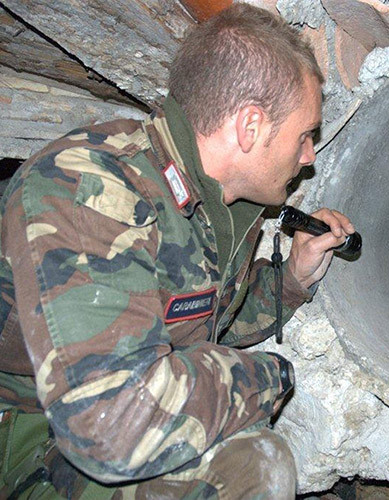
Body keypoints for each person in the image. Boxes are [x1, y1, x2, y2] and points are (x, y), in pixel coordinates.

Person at [0, 3, 354, 498]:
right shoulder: (90, 191)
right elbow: (112, 428)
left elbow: (196, 319)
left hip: (85, 430)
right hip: (26, 431)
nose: (309, 155)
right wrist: (267, 379)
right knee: (256, 464)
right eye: (305, 135)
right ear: (250, 127)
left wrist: (292, 278)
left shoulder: (218, 204)